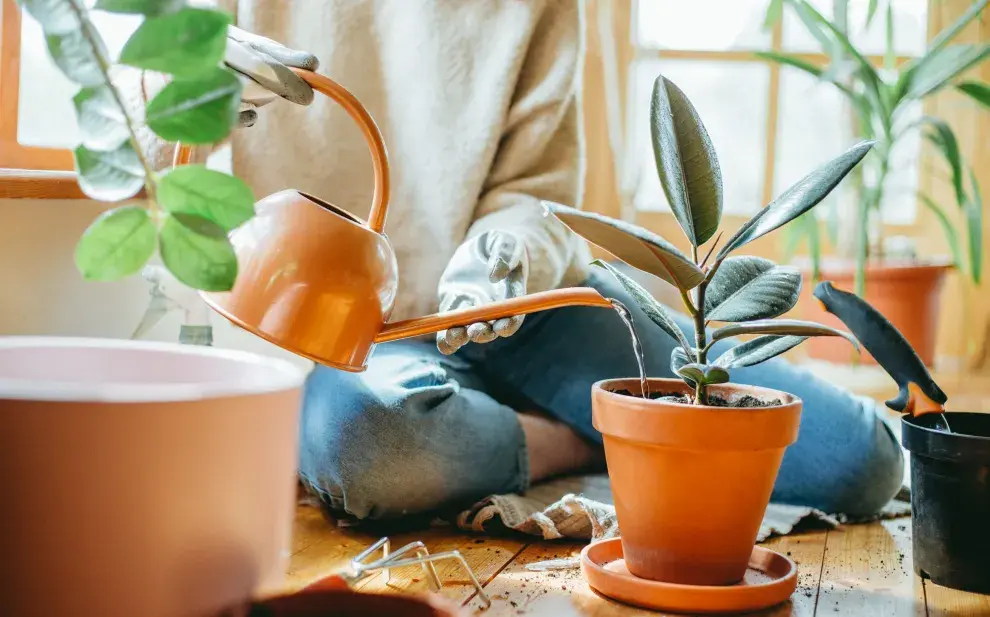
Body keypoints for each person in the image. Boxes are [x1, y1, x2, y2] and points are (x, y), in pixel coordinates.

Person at [142, 1, 904, 523]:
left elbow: (536, 194)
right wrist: (191, 85)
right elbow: (142, 152)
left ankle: (572, 419)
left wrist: (499, 261)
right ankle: (588, 434)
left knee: (859, 462)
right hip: (352, 331)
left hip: (529, 307)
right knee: (368, 449)